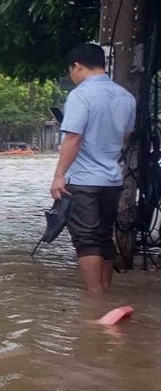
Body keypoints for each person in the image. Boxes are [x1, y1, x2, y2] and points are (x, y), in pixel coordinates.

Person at [51, 43, 136, 293]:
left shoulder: (80, 95)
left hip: (84, 180)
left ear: (77, 66)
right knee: (104, 235)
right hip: (112, 179)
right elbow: (126, 136)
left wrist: (59, 177)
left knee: (86, 239)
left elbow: (73, 138)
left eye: (71, 71)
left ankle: (94, 299)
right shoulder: (126, 97)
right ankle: (105, 291)